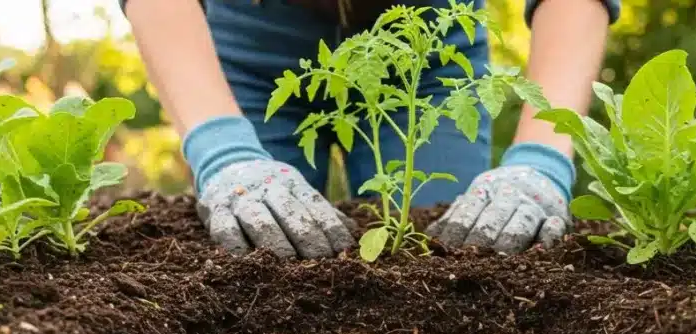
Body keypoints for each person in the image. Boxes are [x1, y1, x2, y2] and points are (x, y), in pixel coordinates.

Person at [123, 0, 619, 258]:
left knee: (448, 257)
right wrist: (222, 150)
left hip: (424, 53)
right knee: (257, 256)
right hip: (247, 47)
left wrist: (542, 158)